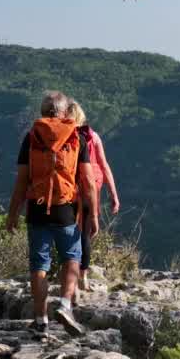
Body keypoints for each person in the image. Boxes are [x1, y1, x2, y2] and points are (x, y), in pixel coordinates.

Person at [5, 91, 99, 336]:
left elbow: (22, 181)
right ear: (65, 112)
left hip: (36, 207)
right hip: (65, 208)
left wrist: (12, 213)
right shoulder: (76, 137)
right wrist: (94, 215)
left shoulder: (32, 137)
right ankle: (65, 305)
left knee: (39, 264)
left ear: (43, 112)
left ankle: (40, 320)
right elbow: (88, 182)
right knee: (71, 257)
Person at [67, 101, 121, 292]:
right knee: (86, 234)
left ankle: (68, 277)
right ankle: (83, 276)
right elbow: (104, 166)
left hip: (68, 192)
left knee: (68, 233)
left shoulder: (62, 138)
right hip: (90, 191)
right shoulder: (92, 137)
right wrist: (114, 194)